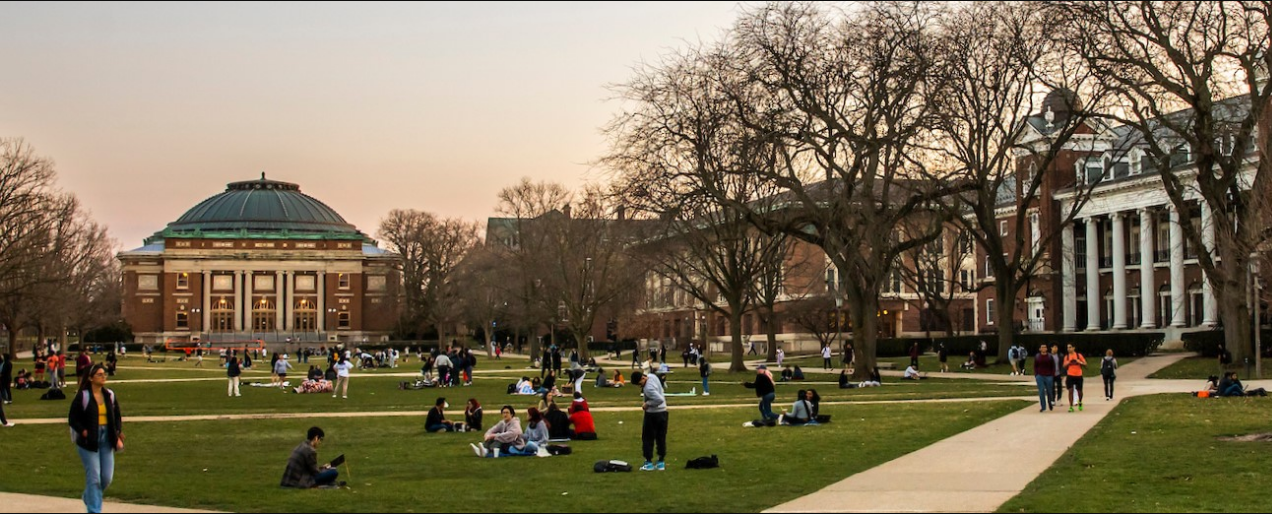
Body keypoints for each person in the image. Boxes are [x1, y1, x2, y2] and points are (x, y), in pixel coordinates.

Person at [68, 364, 124, 513]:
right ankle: (94, 510)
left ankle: (89, 496)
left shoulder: (109, 395)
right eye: (99, 374)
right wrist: (84, 432)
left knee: (106, 478)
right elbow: (73, 419)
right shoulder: (83, 396)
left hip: (107, 439)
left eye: (104, 374)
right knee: (94, 479)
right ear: (91, 378)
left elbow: (117, 416)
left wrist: (117, 433)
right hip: (88, 442)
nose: (103, 376)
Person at [630, 371, 668, 471]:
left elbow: (659, 399)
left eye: (640, 384)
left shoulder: (648, 388)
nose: (640, 386)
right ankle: (661, 462)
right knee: (661, 438)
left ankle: (648, 463)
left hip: (653, 414)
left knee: (647, 438)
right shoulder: (652, 376)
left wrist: (647, 404)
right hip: (663, 412)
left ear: (643, 378)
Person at [1063, 344, 1087, 412]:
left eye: (1070, 347)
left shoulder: (1079, 355)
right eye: (1067, 347)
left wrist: (1080, 362)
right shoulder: (1067, 357)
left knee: (1079, 391)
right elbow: (1064, 366)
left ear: (1074, 348)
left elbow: (1085, 364)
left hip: (1078, 375)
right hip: (1070, 375)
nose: (1068, 349)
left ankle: (1080, 402)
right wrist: (1068, 362)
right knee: (1070, 390)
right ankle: (1071, 406)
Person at [1033, 344, 1056, 412]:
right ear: (1040, 349)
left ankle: (1050, 402)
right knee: (1041, 391)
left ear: (1046, 349)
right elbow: (1035, 366)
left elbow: (1053, 366)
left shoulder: (1049, 356)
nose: (1043, 348)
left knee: (1049, 391)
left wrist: (1052, 374)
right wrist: (1036, 374)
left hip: (1049, 376)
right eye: (1042, 347)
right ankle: (1043, 407)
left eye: (1045, 347)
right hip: (1040, 376)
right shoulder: (1037, 356)